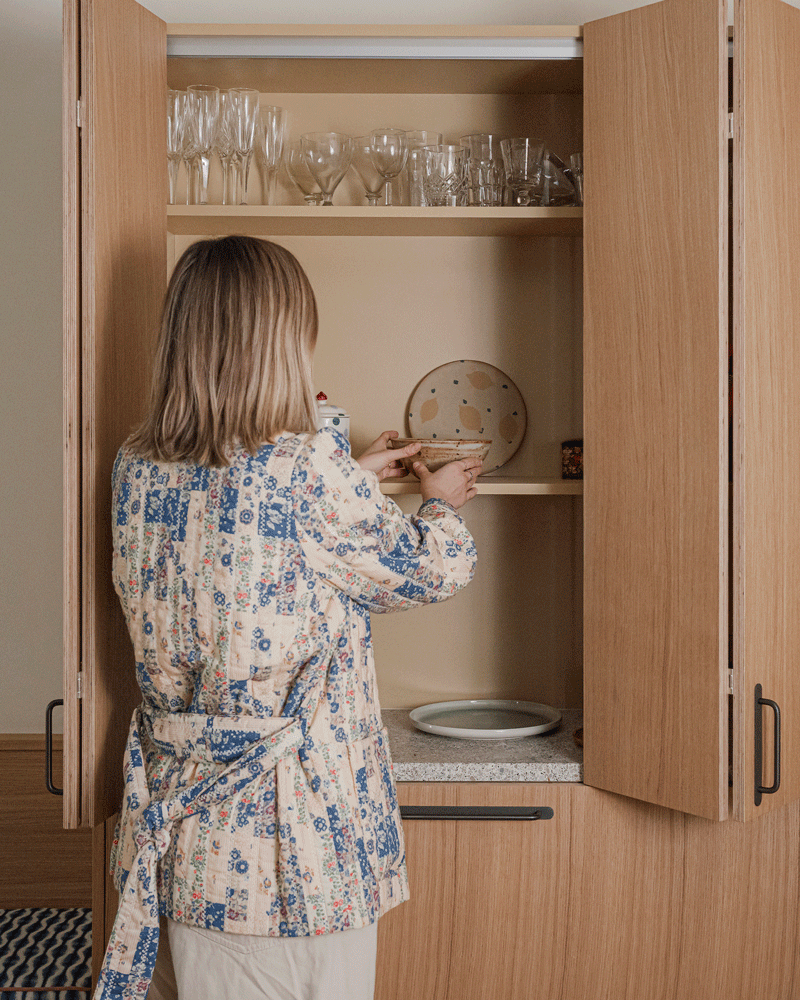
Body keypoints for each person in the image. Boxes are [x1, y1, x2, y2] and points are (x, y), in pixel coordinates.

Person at [96, 235, 481, 1000]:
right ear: (282, 343)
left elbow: (249, 536)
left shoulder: (135, 465)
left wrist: (353, 471)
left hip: (183, 833)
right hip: (288, 844)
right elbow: (431, 571)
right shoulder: (305, 472)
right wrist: (436, 505)